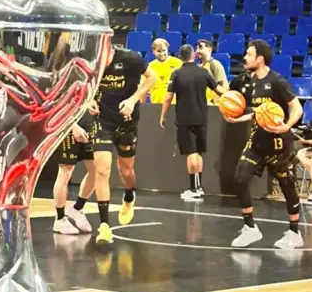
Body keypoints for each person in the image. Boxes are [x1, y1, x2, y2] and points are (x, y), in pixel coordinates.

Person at [226, 40, 304, 249]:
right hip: (257, 140)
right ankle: (250, 228)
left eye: (249, 55)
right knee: (240, 178)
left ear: (260, 59)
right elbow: (259, 113)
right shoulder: (251, 83)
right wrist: (238, 118)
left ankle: (295, 232)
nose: (245, 58)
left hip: (279, 142)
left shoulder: (277, 81)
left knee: (287, 186)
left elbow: (297, 108)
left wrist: (286, 125)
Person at [91, 47, 157, 245]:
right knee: (101, 170)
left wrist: (133, 99)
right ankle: (104, 227)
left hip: (127, 120)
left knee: (126, 170)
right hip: (103, 121)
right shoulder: (93, 59)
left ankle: (129, 195)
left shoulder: (130, 58)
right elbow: (85, 85)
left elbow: (152, 77)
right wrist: (89, 100)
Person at [161, 44, 224, 200]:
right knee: (199, 153)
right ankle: (199, 187)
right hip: (202, 117)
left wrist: (163, 115)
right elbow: (219, 91)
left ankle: (193, 188)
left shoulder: (176, 73)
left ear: (180, 57)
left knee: (191, 153)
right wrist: (235, 100)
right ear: (193, 55)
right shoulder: (204, 72)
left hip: (184, 119)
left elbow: (168, 97)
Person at [52, 107, 98, 234]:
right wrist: (72, 126)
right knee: (66, 171)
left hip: (90, 122)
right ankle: (60, 219)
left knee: (97, 169)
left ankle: (77, 208)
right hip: (69, 123)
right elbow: (59, 102)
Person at [147, 38, 182, 104]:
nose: (162, 53)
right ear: (153, 51)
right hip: (156, 104)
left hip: (174, 105)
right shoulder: (150, 66)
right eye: (159, 51)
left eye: (164, 50)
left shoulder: (178, 63)